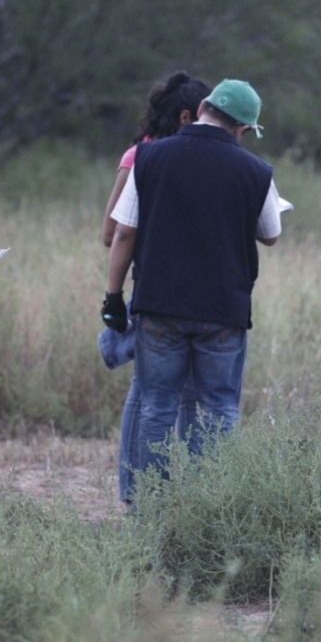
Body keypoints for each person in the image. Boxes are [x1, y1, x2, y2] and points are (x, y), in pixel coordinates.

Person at [100, 78, 282, 481]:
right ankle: (206, 510)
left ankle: (150, 509)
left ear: (201, 109)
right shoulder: (256, 171)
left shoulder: (148, 158)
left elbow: (123, 233)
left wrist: (113, 298)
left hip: (159, 305)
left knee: (156, 407)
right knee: (218, 410)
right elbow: (270, 234)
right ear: (243, 129)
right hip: (222, 312)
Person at [98, 72, 213, 509]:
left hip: (182, 287)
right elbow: (112, 231)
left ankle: (171, 492)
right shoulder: (141, 156)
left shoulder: (196, 157)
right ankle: (134, 491)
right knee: (147, 393)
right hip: (154, 285)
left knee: (177, 394)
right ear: (187, 116)